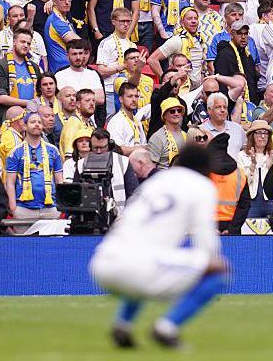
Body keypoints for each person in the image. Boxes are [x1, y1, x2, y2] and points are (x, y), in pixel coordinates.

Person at [89, 144, 230, 349]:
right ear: (206, 168)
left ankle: (123, 324)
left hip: (103, 262)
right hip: (140, 266)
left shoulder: (157, 181)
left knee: (146, 270)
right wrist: (210, 260)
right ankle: (166, 328)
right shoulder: (202, 186)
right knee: (219, 273)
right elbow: (205, 236)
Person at [5, 111, 63, 225]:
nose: (37, 124)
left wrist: (60, 207)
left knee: (51, 243)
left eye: (39, 122)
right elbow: (10, 183)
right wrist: (13, 208)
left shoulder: (53, 150)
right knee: (24, 243)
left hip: (50, 208)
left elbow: (59, 181)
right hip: (23, 209)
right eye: (33, 122)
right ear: (24, 126)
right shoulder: (15, 152)